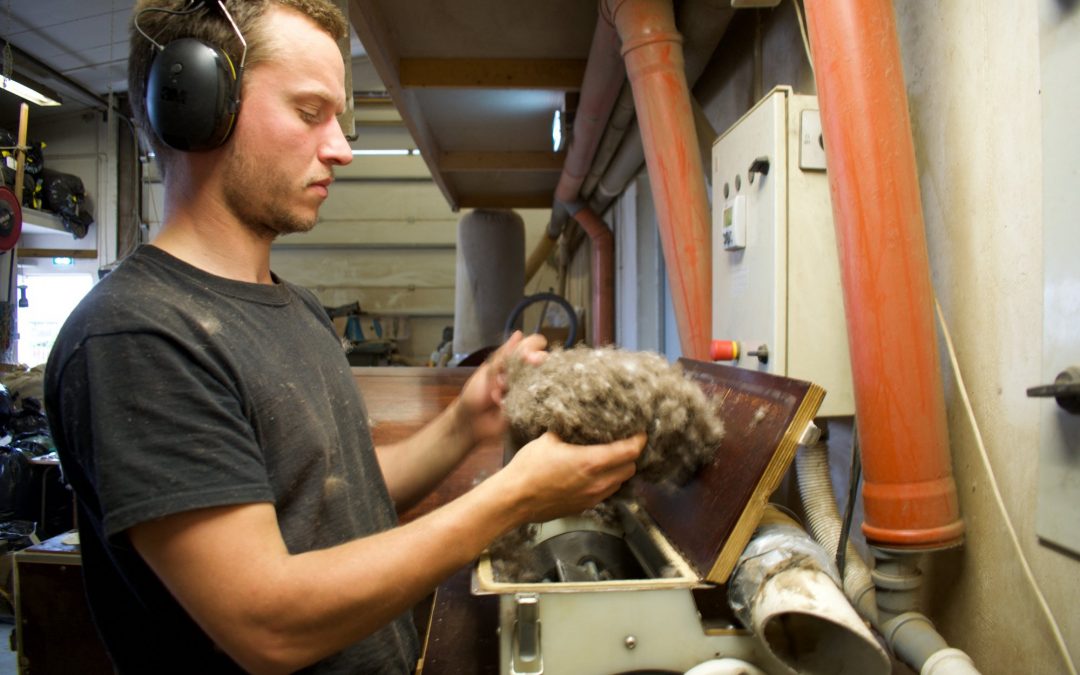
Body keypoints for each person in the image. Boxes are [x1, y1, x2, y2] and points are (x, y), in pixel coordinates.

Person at [43, 1, 645, 673]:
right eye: (309, 113)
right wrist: (514, 497)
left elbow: (331, 499)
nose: (341, 148)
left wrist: (465, 422)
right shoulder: (137, 334)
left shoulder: (292, 307)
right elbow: (266, 623)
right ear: (196, 102)